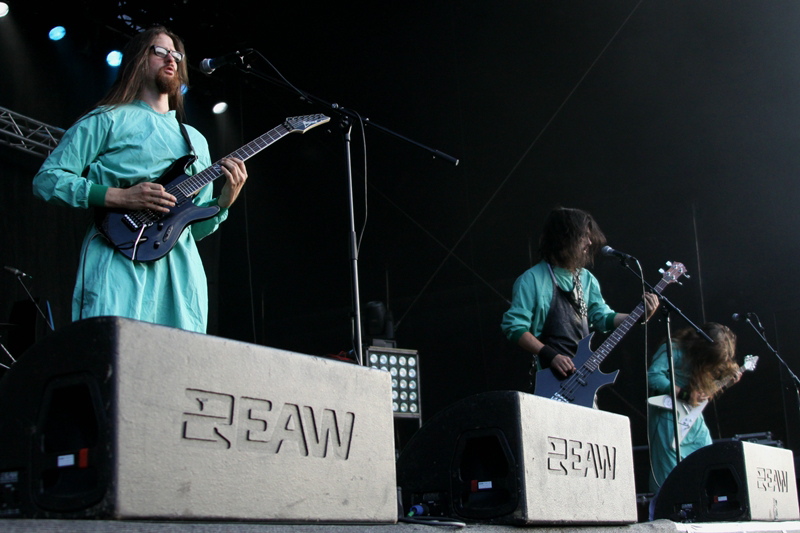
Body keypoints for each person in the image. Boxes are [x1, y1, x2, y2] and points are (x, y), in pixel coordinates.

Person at [32, 26, 248, 333]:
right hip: (116, 257)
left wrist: (224, 203)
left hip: (179, 276)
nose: (170, 59)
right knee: (112, 357)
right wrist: (121, 197)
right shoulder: (107, 118)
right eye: (159, 51)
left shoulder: (196, 142)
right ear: (137, 60)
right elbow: (47, 180)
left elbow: (193, 227)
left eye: (176, 54)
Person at [501, 207, 659, 386]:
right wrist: (551, 355)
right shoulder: (531, 279)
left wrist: (639, 316)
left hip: (583, 378)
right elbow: (514, 327)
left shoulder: (586, 278)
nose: (590, 243)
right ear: (565, 237)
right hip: (550, 378)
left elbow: (603, 317)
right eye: (584, 235)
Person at [647, 322, 740, 492]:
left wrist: (727, 382)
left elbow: (703, 393)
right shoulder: (674, 348)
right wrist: (684, 394)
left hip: (693, 419)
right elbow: (653, 376)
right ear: (701, 347)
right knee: (670, 474)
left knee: (706, 459)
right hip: (668, 416)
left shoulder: (703, 360)